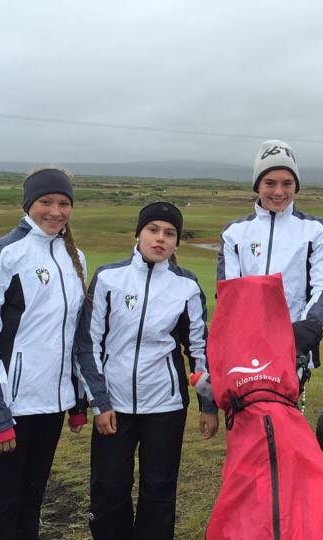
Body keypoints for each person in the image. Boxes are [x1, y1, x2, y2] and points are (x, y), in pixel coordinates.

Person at [73, 202, 219, 540]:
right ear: (138, 233)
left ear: (176, 241)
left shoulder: (186, 285)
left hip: (166, 405)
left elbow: (199, 350)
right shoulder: (108, 278)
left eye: (170, 233)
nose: (160, 239)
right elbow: (88, 345)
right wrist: (100, 403)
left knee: (159, 487)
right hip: (114, 404)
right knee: (109, 487)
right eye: (153, 230)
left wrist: (208, 405)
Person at [0, 167, 88, 539]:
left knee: (33, 497)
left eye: (64, 203)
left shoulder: (75, 256)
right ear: (28, 203)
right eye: (46, 201)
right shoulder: (2, 253)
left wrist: (77, 401)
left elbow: (73, 336)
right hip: (8, 405)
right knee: (3, 501)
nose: (56, 211)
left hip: (51, 404)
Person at [217, 139, 323, 378]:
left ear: (296, 186)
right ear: (257, 185)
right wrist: (247, 336)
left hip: (296, 346)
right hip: (245, 347)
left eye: (287, 183)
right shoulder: (234, 233)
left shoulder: (314, 230)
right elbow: (228, 293)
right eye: (270, 183)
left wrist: (303, 332)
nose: (279, 192)